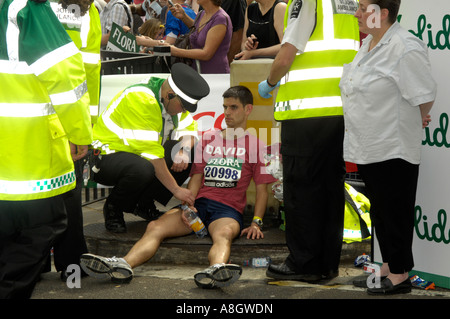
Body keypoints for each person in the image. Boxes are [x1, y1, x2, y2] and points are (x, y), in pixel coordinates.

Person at [80, 86, 277, 288]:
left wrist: (256, 222)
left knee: (224, 234)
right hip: (198, 205)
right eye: (225, 107)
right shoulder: (209, 137)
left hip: (227, 210)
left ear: (248, 109)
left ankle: (216, 269)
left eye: (234, 107)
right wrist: (187, 205)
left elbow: (262, 190)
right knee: (155, 226)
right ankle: (123, 264)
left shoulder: (256, 145)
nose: (227, 113)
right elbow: (196, 177)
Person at [258, 0, 359, 282]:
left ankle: (304, 263)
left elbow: (287, 53)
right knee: (329, 190)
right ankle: (327, 264)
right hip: (337, 109)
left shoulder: (307, 1)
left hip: (306, 112)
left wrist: (270, 81)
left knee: (301, 191)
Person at [340, 0, 436, 295]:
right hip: (368, 142)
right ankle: (388, 265)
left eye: (362, 7)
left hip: (392, 144)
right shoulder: (369, 42)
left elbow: (425, 93)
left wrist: (418, 117)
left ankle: (400, 274)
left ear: (382, 13)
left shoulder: (405, 47)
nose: (356, 13)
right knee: (381, 210)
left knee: (396, 211)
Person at [0, 0, 93, 299]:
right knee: (38, 232)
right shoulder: (25, 8)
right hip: (28, 159)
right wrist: (79, 132)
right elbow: (65, 77)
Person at [90, 63, 210, 233]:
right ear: (170, 95)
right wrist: (176, 190)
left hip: (137, 155)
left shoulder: (169, 95)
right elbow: (152, 156)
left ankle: (142, 203)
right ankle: (113, 208)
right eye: (182, 107)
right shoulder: (141, 99)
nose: (182, 112)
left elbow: (189, 130)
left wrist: (183, 150)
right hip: (106, 156)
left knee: (189, 150)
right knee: (143, 168)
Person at [49, 0, 102, 281]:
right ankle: (70, 264)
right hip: (57, 117)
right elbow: (85, 74)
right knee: (66, 191)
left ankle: (40, 261)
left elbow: (88, 72)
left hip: (32, 115)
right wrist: (81, 128)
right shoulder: (86, 11)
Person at [169, 0, 232, 74]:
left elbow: (207, 54)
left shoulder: (220, 19)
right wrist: (183, 16)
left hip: (215, 74)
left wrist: (175, 51)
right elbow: (199, 31)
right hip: (199, 72)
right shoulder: (202, 13)